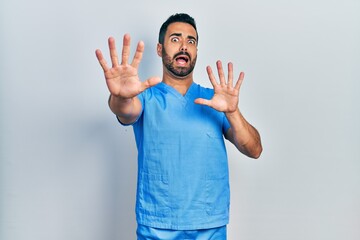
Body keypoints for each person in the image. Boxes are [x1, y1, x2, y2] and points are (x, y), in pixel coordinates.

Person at [96, 13, 262, 240]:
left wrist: (233, 112)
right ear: (159, 49)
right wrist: (120, 96)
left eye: (191, 41)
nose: (184, 46)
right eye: (175, 39)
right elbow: (125, 111)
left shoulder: (214, 101)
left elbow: (254, 149)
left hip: (209, 225)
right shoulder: (146, 98)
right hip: (157, 225)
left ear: (195, 51)